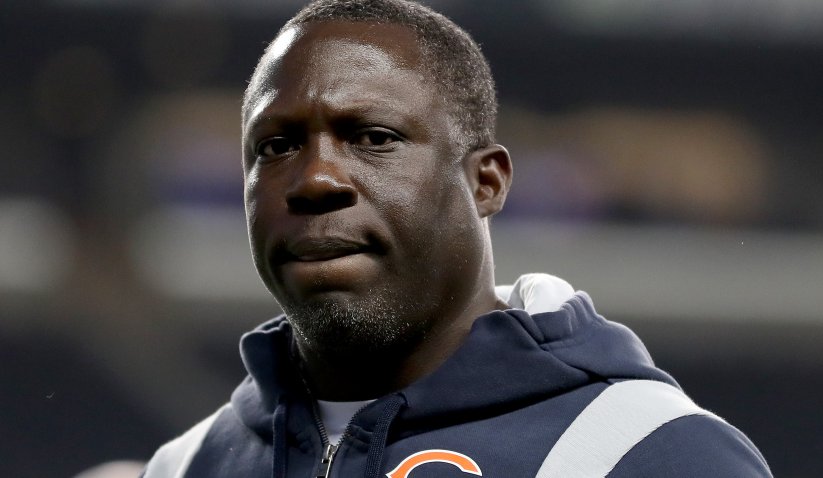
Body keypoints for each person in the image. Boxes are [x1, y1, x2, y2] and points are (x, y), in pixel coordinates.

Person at [143, 0, 772, 476]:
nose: (315, 179)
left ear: (486, 183)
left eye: (374, 138)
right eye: (276, 146)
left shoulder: (654, 454)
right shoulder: (185, 466)